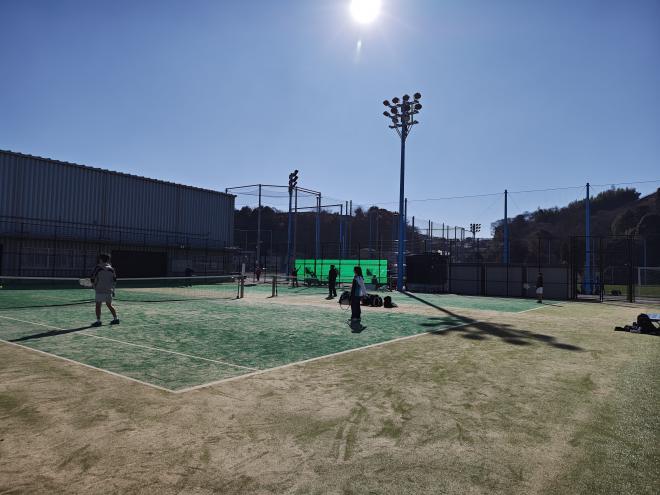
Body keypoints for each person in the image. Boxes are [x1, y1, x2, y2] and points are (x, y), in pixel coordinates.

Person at [91, 253, 119, 326]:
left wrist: (94, 286)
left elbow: (92, 278)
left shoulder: (97, 268)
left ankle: (98, 321)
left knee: (98, 305)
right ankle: (116, 319)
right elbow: (114, 281)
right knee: (109, 305)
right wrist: (113, 291)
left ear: (101, 259)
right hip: (109, 290)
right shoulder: (112, 269)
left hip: (100, 290)